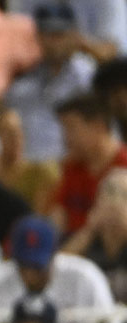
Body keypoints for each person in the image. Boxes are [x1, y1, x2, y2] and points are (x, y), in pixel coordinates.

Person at [0, 215, 122, 323]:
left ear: (54, 256)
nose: (29, 274)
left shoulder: (85, 277)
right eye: (23, 265)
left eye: (37, 266)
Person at [5, 3, 97, 164]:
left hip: (75, 166)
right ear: (38, 37)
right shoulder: (21, 87)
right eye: (47, 34)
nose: (54, 41)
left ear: (75, 36)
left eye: (60, 34)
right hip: (29, 171)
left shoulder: (89, 78)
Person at [51, 93, 127, 237]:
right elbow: (59, 214)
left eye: (71, 128)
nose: (65, 138)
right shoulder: (72, 166)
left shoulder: (123, 167)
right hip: (70, 245)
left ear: (98, 127)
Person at [7, 0, 127, 63]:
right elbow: (14, 46)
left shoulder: (110, 2)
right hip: (38, 69)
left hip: (91, 73)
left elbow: (112, 54)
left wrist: (75, 42)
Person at [73, 168, 127, 303]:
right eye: (107, 197)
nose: (115, 205)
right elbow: (60, 270)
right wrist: (89, 230)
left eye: (124, 198)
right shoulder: (87, 240)